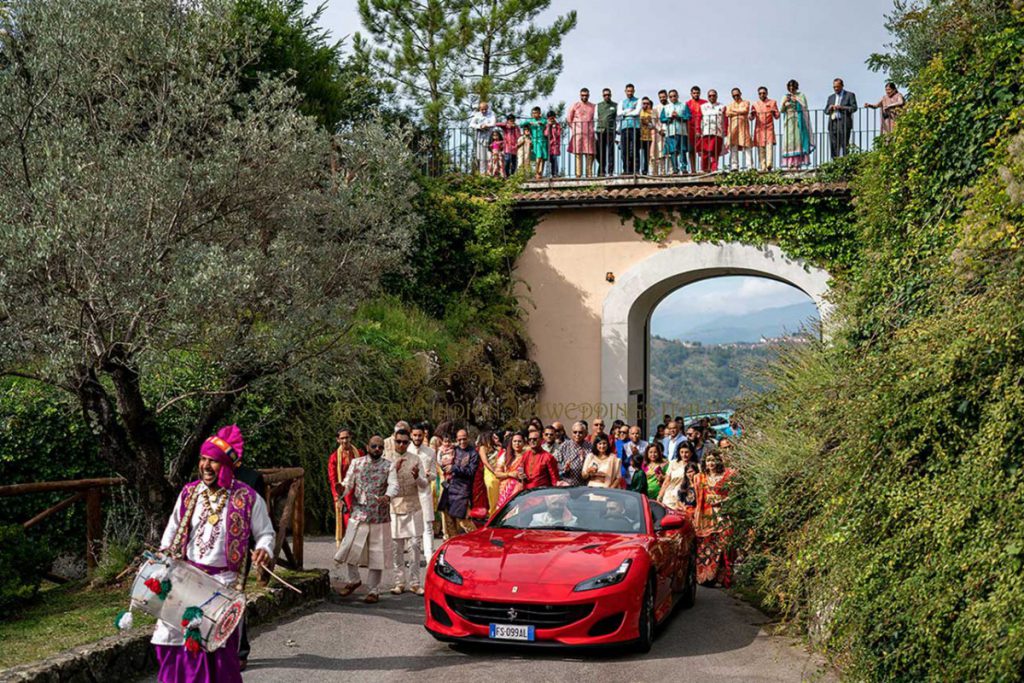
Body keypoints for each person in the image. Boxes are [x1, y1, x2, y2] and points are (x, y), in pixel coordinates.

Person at [153, 425, 275, 683]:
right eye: (204, 459)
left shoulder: (248, 498)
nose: (206, 466)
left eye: (214, 461)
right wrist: (164, 557)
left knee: (217, 651)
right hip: (186, 579)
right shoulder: (189, 493)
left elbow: (266, 532)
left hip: (223, 585)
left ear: (227, 466)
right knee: (171, 641)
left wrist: (264, 548)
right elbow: (172, 530)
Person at [334, 435, 398, 603]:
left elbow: (394, 485)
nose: (377, 449)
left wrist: (388, 496)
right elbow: (348, 483)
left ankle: (374, 590)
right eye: (374, 446)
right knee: (349, 547)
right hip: (360, 513)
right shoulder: (357, 463)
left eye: (380, 447)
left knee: (377, 554)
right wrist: (342, 489)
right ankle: (354, 580)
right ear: (367, 446)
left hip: (379, 514)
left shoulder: (388, 466)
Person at [388, 429, 428, 595]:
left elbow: (424, 484)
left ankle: (415, 582)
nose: (402, 445)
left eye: (405, 442)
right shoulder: (387, 459)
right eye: (399, 442)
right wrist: (393, 470)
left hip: (413, 506)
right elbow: (383, 483)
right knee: (397, 548)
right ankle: (399, 582)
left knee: (414, 546)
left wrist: (417, 476)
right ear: (394, 442)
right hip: (395, 507)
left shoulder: (415, 459)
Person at [693, 450, 736, 587]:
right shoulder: (700, 477)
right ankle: (708, 578)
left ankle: (724, 578)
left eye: (713, 460)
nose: (711, 463)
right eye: (708, 460)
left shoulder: (727, 476)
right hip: (706, 518)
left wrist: (722, 500)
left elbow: (735, 494)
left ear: (719, 461)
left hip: (723, 516)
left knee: (725, 547)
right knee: (707, 547)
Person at [437, 429, 479, 538]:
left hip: (463, 490)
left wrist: (454, 468)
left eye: (464, 439)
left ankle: (477, 540)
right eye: (459, 439)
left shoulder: (473, 453)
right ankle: (452, 545)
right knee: (449, 521)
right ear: (456, 439)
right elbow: (443, 464)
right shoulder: (453, 450)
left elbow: (471, 472)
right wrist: (444, 464)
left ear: (468, 438)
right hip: (449, 488)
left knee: (463, 521)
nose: (462, 442)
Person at [328, 427, 361, 548]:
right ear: (338, 440)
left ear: (351, 438)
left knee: (360, 521)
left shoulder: (359, 453)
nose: (345, 440)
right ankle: (347, 548)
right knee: (347, 520)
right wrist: (338, 498)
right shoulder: (334, 458)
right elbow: (333, 479)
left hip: (358, 491)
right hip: (343, 493)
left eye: (347, 437)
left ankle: (358, 549)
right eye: (342, 438)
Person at [408, 423, 437, 558]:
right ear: (411, 435)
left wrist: (428, 474)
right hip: (409, 493)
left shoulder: (430, 452)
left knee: (427, 526)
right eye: (415, 435)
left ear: (424, 435)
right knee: (411, 527)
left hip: (424, 492)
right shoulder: (406, 450)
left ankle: (429, 557)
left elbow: (434, 475)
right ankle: (414, 558)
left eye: (420, 435)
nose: (417, 438)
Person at [780, 79, 814, 167]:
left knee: (798, 140)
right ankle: (789, 163)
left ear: (796, 87)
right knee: (789, 141)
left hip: (798, 120)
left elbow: (805, 106)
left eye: (793, 87)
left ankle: (797, 163)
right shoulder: (785, 96)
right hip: (788, 120)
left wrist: (797, 100)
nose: (791, 88)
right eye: (790, 87)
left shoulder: (801, 95)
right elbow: (781, 110)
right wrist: (784, 103)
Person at [566, 88, 596, 178]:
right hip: (578, 134)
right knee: (578, 154)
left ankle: (589, 174)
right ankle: (578, 175)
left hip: (589, 133)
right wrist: (575, 128)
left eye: (586, 95)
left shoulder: (593, 106)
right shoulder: (575, 105)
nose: (584, 97)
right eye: (582, 95)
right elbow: (568, 119)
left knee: (589, 154)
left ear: (589, 95)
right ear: (580, 95)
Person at [657, 443, 695, 511]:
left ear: (691, 453)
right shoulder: (673, 463)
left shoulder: (695, 466)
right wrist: (660, 496)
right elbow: (667, 481)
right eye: (682, 452)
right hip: (669, 496)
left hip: (685, 498)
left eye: (686, 452)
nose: (684, 455)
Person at [660, 89, 690, 174]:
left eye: (674, 96)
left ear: (677, 96)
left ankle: (684, 168)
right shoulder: (666, 108)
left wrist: (678, 116)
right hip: (670, 132)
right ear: (669, 98)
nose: (673, 98)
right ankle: (675, 169)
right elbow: (662, 119)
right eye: (671, 96)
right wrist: (670, 118)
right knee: (673, 151)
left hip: (682, 132)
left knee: (682, 150)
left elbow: (688, 116)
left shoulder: (683, 105)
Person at [750, 86, 780, 171]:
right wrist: (751, 114)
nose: (762, 95)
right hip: (759, 129)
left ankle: (769, 165)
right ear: (758, 95)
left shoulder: (773, 102)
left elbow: (777, 116)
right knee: (760, 148)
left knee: (769, 146)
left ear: (767, 93)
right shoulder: (755, 104)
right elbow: (750, 118)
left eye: (763, 93)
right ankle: (763, 167)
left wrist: (775, 112)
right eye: (760, 93)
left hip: (769, 128)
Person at [826, 78, 857, 159]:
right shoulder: (831, 97)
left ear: (842, 86)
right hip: (833, 123)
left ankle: (845, 162)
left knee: (844, 144)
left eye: (837, 87)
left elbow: (854, 108)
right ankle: (835, 163)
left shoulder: (850, 95)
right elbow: (825, 111)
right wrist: (830, 108)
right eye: (834, 87)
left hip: (844, 123)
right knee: (833, 145)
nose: (836, 89)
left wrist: (841, 107)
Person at [725, 88, 753, 171]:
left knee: (747, 146)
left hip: (743, 127)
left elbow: (745, 110)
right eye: (734, 96)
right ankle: (734, 166)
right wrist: (739, 112)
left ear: (740, 94)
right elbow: (727, 113)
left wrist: (733, 111)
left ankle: (750, 166)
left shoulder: (746, 102)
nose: (736, 97)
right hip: (733, 127)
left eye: (737, 95)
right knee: (733, 146)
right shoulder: (730, 105)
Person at [496, 432, 527, 506]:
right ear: (511, 442)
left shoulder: (527, 455)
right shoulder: (505, 456)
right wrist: (510, 474)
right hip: (505, 489)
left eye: (519, 441)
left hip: (521, 488)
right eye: (515, 441)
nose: (517, 443)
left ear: (524, 443)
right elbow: (497, 474)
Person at [699, 90, 727, 172]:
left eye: (713, 95)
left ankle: (714, 168)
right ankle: (704, 169)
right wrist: (698, 130)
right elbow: (700, 118)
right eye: (710, 96)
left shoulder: (722, 106)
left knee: (715, 152)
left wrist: (725, 130)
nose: (712, 97)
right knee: (705, 152)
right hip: (705, 132)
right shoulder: (703, 107)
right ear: (707, 97)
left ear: (716, 96)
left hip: (717, 132)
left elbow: (725, 119)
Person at [555, 421, 589, 486]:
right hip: (567, 484)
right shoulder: (564, 445)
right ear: (571, 433)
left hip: (584, 485)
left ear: (585, 433)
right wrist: (564, 468)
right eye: (575, 432)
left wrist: (584, 460)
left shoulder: (590, 446)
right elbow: (556, 463)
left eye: (580, 432)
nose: (577, 434)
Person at [468, 101, 496, 173]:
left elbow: (493, 123)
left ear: (487, 108)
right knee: (482, 158)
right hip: (480, 139)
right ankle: (482, 174)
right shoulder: (477, 115)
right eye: (482, 109)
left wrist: (486, 125)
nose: (484, 111)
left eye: (485, 109)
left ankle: (491, 173)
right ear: (479, 109)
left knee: (491, 157)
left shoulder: (492, 113)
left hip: (490, 139)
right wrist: (479, 126)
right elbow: (471, 124)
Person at [619, 83, 641, 174]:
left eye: (631, 91)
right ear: (625, 91)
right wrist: (629, 111)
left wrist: (625, 113)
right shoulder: (622, 102)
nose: (629, 93)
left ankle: (635, 170)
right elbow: (619, 113)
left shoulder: (638, 100)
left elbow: (637, 112)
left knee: (635, 149)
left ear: (634, 91)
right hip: (624, 127)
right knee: (625, 150)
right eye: (628, 91)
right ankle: (626, 169)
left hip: (635, 127)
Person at [596, 88, 617, 176]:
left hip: (611, 130)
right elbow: (595, 118)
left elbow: (618, 119)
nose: (606, 96)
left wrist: (617, 132)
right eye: (605, 95)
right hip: (600, 130)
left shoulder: (615, 105)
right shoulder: (598, 105)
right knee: (601, 152)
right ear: (603, 96)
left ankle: (611, 171)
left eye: (608, 95)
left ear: (611, 95)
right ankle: (601, 171)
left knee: (611, 152)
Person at [686, 86, 707, 172]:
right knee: (691, 150)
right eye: (694, 93)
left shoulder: (705, 103)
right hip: (690, 129)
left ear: (700, 93)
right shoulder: (688, 103)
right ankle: (693, 169)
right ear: (691, 94)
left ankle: (704, 168)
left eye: (697, 93)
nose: (696, 94)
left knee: (704, 150)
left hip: (703, 128)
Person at [525, 106, 548, 180]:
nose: (534, 114)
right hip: (536, 141)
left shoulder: (543, 120)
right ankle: (536, 173)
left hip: (543, 141)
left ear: (539, 113)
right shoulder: (531, 120)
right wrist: (530, 122)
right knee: (538, 157)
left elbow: (544, 122)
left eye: (536, 113)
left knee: (543, 158)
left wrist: (538, 122)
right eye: (533, 113)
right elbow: (522, 124)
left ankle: (540, 173)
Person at [650, 90, 669, 176]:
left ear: (667, 96)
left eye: (663, 97)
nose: (662, 99)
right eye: (660, 97)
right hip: (659, 133)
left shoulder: (671, 106)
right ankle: (659, 172)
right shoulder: (656, 108)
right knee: (659, 153)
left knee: (670, 154)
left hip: (670, 132)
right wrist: (659, 129)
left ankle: (670, 171)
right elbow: (654, 121)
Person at [639, 97, 655, 175]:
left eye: (647, 103)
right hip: (639, 135)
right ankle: (636, 169)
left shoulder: (652, 113)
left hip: (648, 136)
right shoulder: (638, 112)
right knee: (637, 154)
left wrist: (647, 123)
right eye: (644, 103)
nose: (645, 105)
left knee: (646, 155)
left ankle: (645, 171)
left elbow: (654, 125)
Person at [544, 111, 562, 178]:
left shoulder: (557, 125)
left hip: (555, 145)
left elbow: (558, 133)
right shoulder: (546, 125)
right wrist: (549, 126)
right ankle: (548, 173)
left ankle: (555, 173)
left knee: (554, 158)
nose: (551, 119)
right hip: (548, 145)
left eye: (553, 118)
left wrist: (554, 127)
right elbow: (546, 134)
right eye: (550, 118)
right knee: (549, 159)